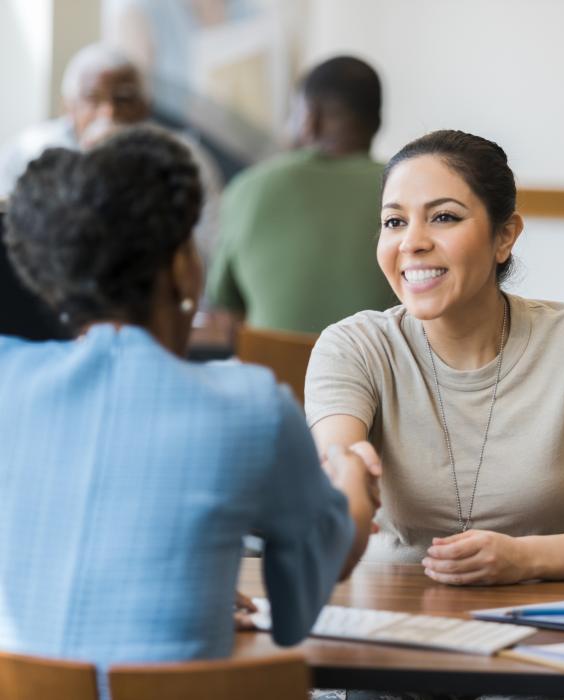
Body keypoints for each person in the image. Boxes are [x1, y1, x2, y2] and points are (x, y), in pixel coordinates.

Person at [0, 127, 380, 696]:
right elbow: (303, 600)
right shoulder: (251, 407)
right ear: (182, 268)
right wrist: (353, 483)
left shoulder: (11, 381)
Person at [305, 129, 564, 584]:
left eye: (443, 217)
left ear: (504, 237)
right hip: (391, 611)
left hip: (546, 624)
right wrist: (347, 479)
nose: (412, 242)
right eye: (394, 222)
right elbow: (340, 464)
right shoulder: (353, 345)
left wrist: (524, 559)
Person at [206, 55, 395, 335]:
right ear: (377, 121)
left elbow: (224, 309)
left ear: (309, 118)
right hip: (374, 375)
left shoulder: (249, 188)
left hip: (275, 373)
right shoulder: (404, 190)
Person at [0, 43, 223, 265]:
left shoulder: (184, 157)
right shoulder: (28, 152)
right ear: (68, 107)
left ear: (147, 106)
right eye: (92, 99)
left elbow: (211, 244)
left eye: (123, 99)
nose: (109, 111)